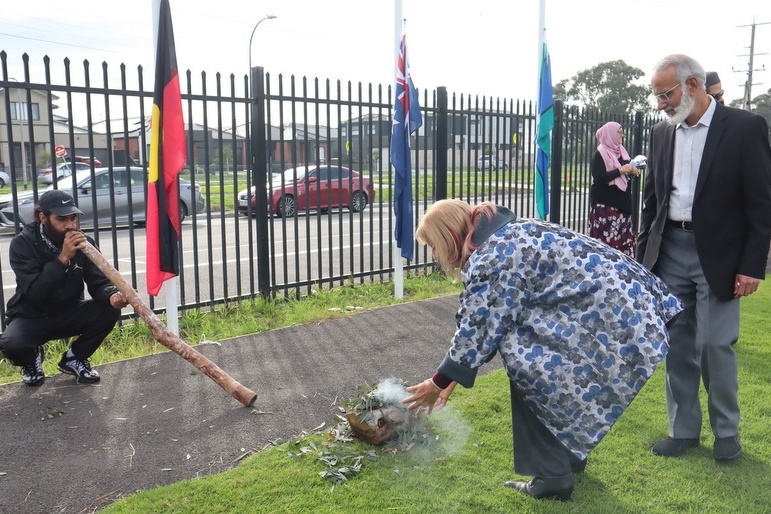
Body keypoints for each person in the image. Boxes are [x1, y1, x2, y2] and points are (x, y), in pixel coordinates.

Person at [402, 199, 683, 501]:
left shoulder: (492, 257)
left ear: (449, 236)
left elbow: (478, 327)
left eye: (433, 246)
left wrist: (439, 381)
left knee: (533, 372)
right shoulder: (508, 231)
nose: (434, 256)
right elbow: (485, 319)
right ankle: (567, 459)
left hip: (612, 312)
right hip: (622, 302)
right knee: (553, 372)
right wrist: (453, 374)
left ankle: (552, 478)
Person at [639, 54, 771, 462]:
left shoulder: (745, 128)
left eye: (666, 94)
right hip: (670, 252)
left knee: (715, 344)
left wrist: (753, 265)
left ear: (692, 85)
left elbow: (761, 203)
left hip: (722, 256)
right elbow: (653, 201)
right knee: (677, 346)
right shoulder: (662, 133)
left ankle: (726, 432)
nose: (660, 103)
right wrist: (644, 258)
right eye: (656, 97)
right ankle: (683, 431)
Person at [0, 190, 129, 386]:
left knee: (110, 310)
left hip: (69, 311)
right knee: (11, 343)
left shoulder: (84, 243)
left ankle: (74, 358)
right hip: (33, 315)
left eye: (73, 218)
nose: (70, 225)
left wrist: (112, 296)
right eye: (62, 219)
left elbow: (99, 282)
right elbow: (36, 292)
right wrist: (62, 259)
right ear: (43, 217)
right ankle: (31, 358)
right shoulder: (22, 244)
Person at [588, 121, 640, 257]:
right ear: (610, 134)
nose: (622, 135)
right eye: (619, 132)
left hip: (622, 208)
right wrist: (621, 170)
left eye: (622, 132)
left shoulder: (622, 153)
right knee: (606, 249)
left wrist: (634, 173)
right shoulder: (600, 154)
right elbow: (599, 178)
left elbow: (625, 179)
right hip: (606, 209)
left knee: (623, 248)